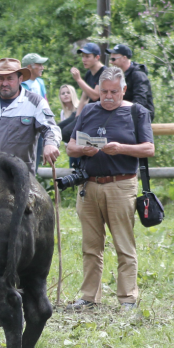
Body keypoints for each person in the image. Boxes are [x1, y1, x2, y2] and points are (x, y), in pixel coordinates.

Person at [65, 67, 154, 312]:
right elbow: (71, 146)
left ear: (123, 90)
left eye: (114, 91)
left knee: (124, 244)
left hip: (121, 185)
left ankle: (127, 299)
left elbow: (148, 149)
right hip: (89, 185)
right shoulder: (89, 111)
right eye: (104, 91)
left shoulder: (137, 112)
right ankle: (88, 297)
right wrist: (84, 150)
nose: (108, 96)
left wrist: (121, 148)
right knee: (90, 245)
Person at [106, 44, 155, 120]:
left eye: (113, 59)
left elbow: (140, 101)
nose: (111, 62)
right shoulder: (118, 75)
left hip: (140, 117)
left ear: (124, 58)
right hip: (124, 114)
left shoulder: (138, 75)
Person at [21, 53, 49, 170]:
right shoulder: (21, 85)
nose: (42, 67)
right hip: (26, 128)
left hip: (40, 125)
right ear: (29, 67)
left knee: (35, 161)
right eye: (39, 65)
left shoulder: (40, 82)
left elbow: (45, 102)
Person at [71, 42, 106, 116]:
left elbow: (95, 96)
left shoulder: (104, 72)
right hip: (88, 111)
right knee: (60, 126)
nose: (84, 60)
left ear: (97, 57)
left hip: (99, 114)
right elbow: (83, 98)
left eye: (87, 56)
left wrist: (79, 80)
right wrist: (77, 117)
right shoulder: (89, 73)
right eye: (83, 56)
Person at [57, 84, 80, 168]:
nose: (65, 95)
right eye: (63, 93)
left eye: (68, 92)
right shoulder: (63, 113)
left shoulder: (79, 109)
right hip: (71, 147)